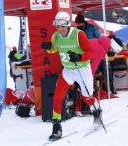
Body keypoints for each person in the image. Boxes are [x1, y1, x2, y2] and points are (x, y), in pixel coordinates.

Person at [41, 11, 102, 141]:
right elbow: (54, 48)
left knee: (87, 98)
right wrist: (48, 47)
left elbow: (91, 53)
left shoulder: (78, 34)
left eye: (62, 26)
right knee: (57, 97)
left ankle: (97, 111)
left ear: (68, 25)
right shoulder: (56, 36)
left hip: (82, 69)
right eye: (57, 26)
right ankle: (56, 127)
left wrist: (80, 57)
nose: (60, 29)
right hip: (68, 71)